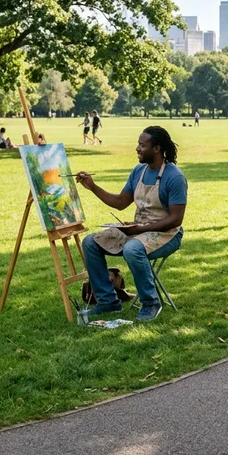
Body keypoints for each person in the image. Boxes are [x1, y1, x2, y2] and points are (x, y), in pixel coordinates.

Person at [76, 126, 187, 321]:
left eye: (142, 145)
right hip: (138, 229)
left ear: (157, 149)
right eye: (138, 144)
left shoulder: (175, 177)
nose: (137, 148)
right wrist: (92, 187)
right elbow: (120, 203)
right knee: (90, 242)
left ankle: (150, 303)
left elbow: (176, 219)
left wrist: (142, 229)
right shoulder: (138, 171)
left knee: (132, 249)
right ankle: (107, 301)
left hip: (168, 233)